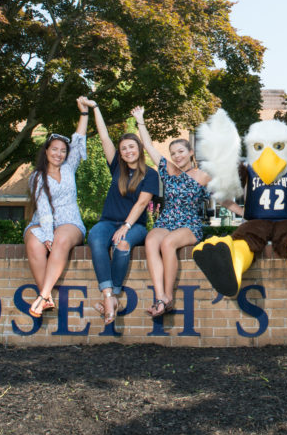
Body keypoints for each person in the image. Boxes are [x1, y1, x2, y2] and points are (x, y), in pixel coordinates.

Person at [86, 99, 160, 324]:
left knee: (123, 244)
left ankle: (112, 296)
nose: (128, 151)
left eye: (132, 146)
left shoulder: (150, 174)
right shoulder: (117, 167)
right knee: (95, 239)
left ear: (139, 149)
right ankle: (110, 297)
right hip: (108, 221)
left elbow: (141, 204)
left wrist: (125, 227)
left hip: (134, 226)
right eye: (124, 148)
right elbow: (104, 137)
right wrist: (96, 107)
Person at [132, 106, 211, 317]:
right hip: (166, 221)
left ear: (190, 152)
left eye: (181, 152)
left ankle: (168, 297)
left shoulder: (202, 175)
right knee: (151, 241)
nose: (177, 156)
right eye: (173, 153)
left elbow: (225, 197)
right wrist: (141, 119)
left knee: (167, 244)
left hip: (189, 224)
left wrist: (244, 212)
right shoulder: (167, 170)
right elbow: (148, 145)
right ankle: (159, 297)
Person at [23, 97, 92, 318]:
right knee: (34, 242)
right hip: (43, 221)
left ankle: (43, 295)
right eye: (55, 150)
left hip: (70, 222)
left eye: (63, 150)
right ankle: (48, 299)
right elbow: (43, 209)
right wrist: (45, 235)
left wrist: (83, 114)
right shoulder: (37, 177)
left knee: (61, 238)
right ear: (46, 152)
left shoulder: (70, 167)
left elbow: (79, 139)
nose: (59, 154)